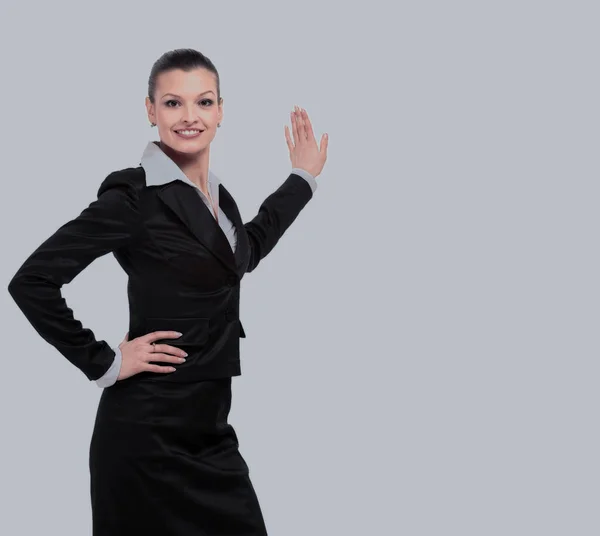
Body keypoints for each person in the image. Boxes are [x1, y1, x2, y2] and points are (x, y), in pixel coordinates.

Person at [7, 48, 328, 535]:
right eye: (173, 103)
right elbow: (32, 282)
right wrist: (105, 362)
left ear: (221, 110)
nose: (189, 117)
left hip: (210, 431)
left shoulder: (219, 201)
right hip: (145, 434)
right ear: (151, 110)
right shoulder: (133, 199)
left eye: (203, 102)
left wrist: (301, 179)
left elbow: (245, 253)